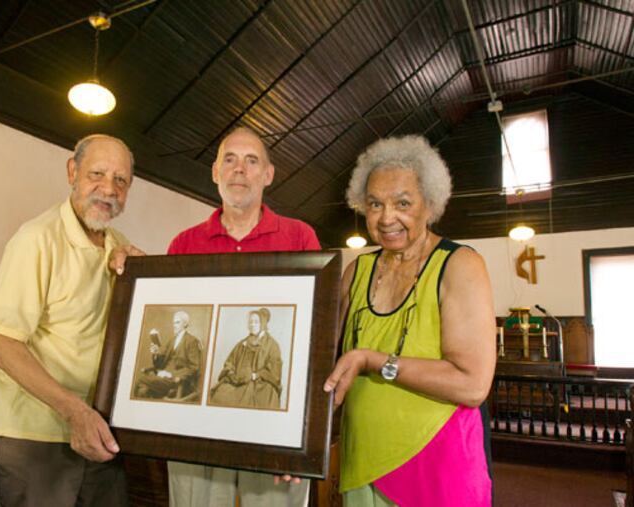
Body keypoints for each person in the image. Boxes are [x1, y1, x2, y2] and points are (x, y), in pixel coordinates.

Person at [111, 126, 320, 507]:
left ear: (268, 174)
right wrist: (141, 278)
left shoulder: (300, 238)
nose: (239, 169)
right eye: (230, 159)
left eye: (251, 160)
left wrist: (303, 437)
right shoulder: (184, 243)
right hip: (198, 428)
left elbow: (310, 343)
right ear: (215, 172)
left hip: (273, 432)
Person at [322, 135, 496, 506]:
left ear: (429, 205)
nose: (387, 218)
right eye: (374, 204)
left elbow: (472, 384)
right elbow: (319, 360)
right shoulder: (357, 270)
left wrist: (374, 361)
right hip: (361, 460)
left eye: (402, 203)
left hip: (437, 468)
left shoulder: (460, 265)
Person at [0, 134, 145, 507]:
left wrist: (140, 276)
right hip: (32, 436)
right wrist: (75, 412)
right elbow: (0, 342)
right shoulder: (36, 238)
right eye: (97, 174)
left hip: (97, 428)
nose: (108, 189)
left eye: (120, 180)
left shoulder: (116, 241)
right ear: (72, 172)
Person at [210, 308, 283, 409]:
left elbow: (274, 371)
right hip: (238, 381)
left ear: (262, 323)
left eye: (256, 322)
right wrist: (231, 373)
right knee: (221, 393)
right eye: (251, 322)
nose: (252, 325)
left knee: (266, 396)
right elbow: (229, 362)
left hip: (260, 383)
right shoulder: (242, 344)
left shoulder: (272, 345)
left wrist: (255, 375)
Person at [134, 310, 203, 400]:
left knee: (140, 380)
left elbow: (193, 367)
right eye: (173, 322)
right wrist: (155, 354)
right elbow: (160, 364)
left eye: (177, 322)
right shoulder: (172, 340)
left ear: (185, 324)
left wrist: (171, 375)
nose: (174, 325)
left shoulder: (192, 341)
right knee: (142, 391)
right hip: (162, 377)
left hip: (175, 380)